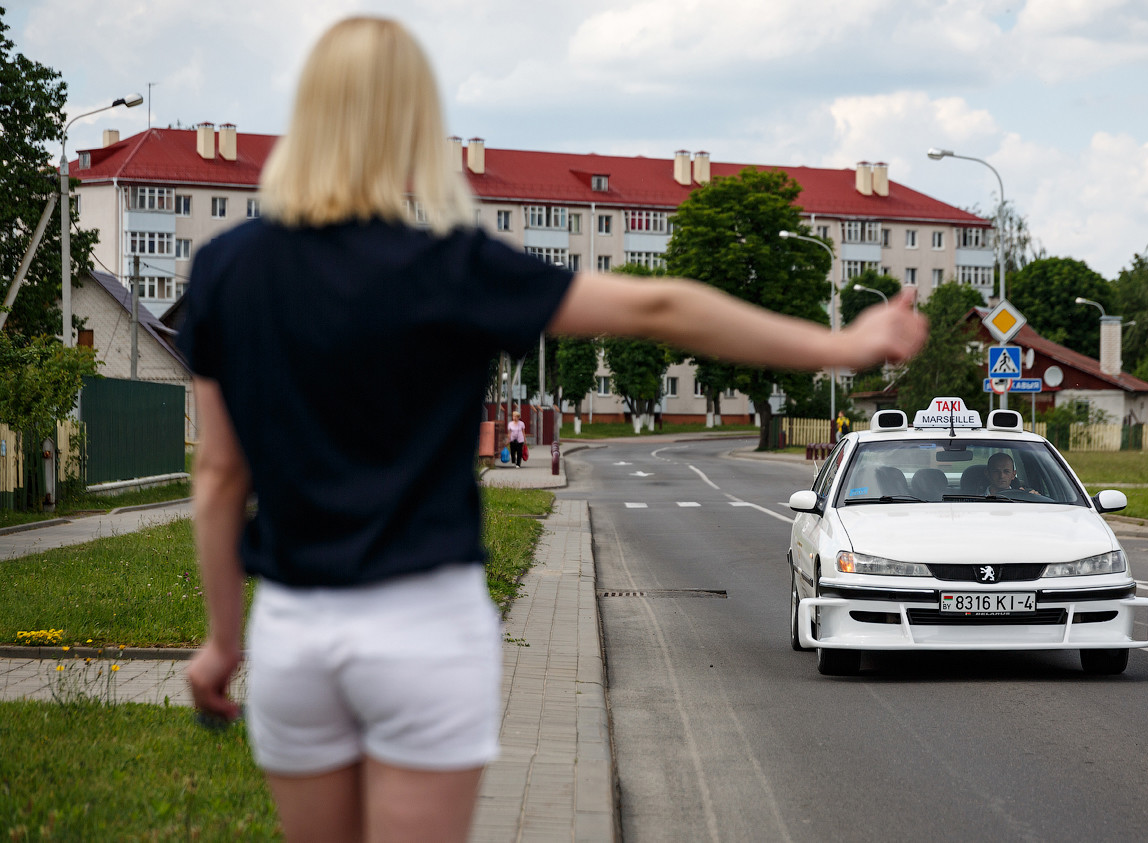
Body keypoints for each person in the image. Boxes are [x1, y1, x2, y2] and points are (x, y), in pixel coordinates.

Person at [181, 16, 927, 843]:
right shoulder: (451, 265)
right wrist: (844, 344)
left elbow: (219, 474)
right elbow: (657, 305)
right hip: (426, 629)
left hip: (296, 628)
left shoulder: (228, 268)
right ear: (413, 123)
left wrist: (221, 642)